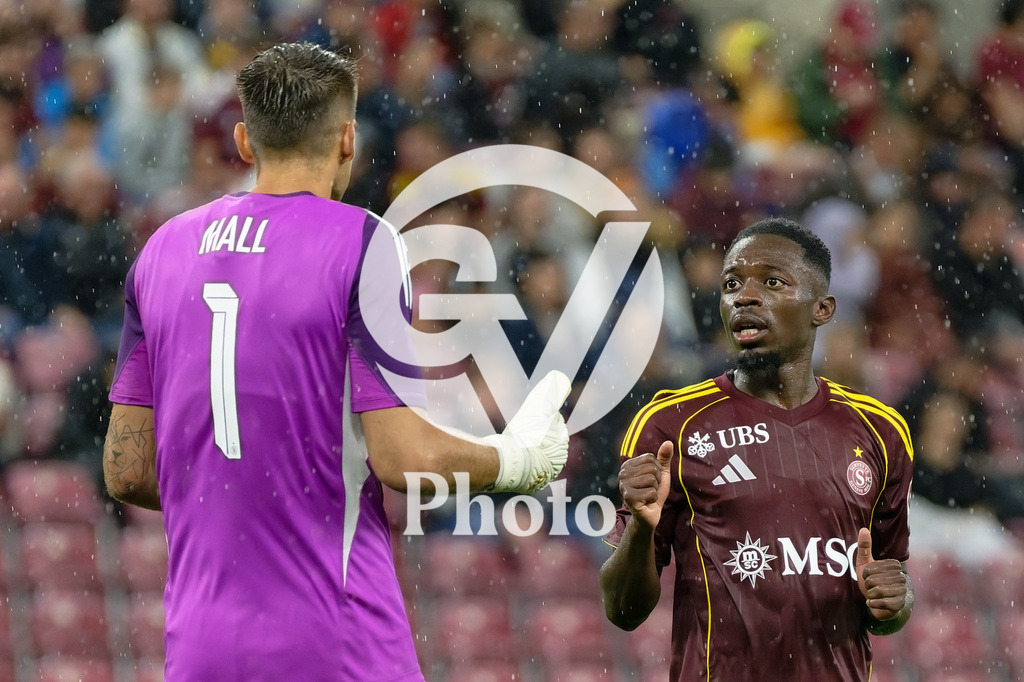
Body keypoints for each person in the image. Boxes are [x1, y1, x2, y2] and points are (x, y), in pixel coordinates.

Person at [101, 42, 571, 681]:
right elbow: (405, 459)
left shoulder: (160, 250)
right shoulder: (363, 242)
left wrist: (245, 498)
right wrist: (518, 460)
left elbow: (126, 469)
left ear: (244, 140)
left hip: (200, 648)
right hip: (335, 639)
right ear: (348, 139)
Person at [600, 217, 914, 681]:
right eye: (731, 283)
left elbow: (887, 596)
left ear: (822, 309)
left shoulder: (880, 430)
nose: (743, 296)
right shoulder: (670, 425)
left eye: (771, 281)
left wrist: (896, 603)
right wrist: (640, 530)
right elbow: (622, 610)